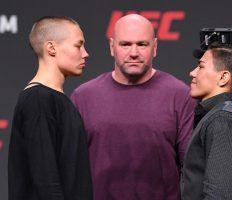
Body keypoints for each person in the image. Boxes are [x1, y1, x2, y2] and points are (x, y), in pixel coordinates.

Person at [71, 14, 195, 199]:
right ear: (112, 47)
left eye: (142, 44)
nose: (134, 52)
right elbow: (71, 168)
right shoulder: (83, 97)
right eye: (125, 44)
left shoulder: (180, 95)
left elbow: (192, 167)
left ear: (155, 47)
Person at [8, 16, 92, 200]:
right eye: (78, 46)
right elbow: (45, 177)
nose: (85, 53)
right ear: (51, 48)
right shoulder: (38, 99)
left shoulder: (55, 99)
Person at [181, 43, 232, 200]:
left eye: (200, 67)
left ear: (223, 77)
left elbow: (220, 195)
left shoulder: (224, 121)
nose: (192, 73)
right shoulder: (219, 116)